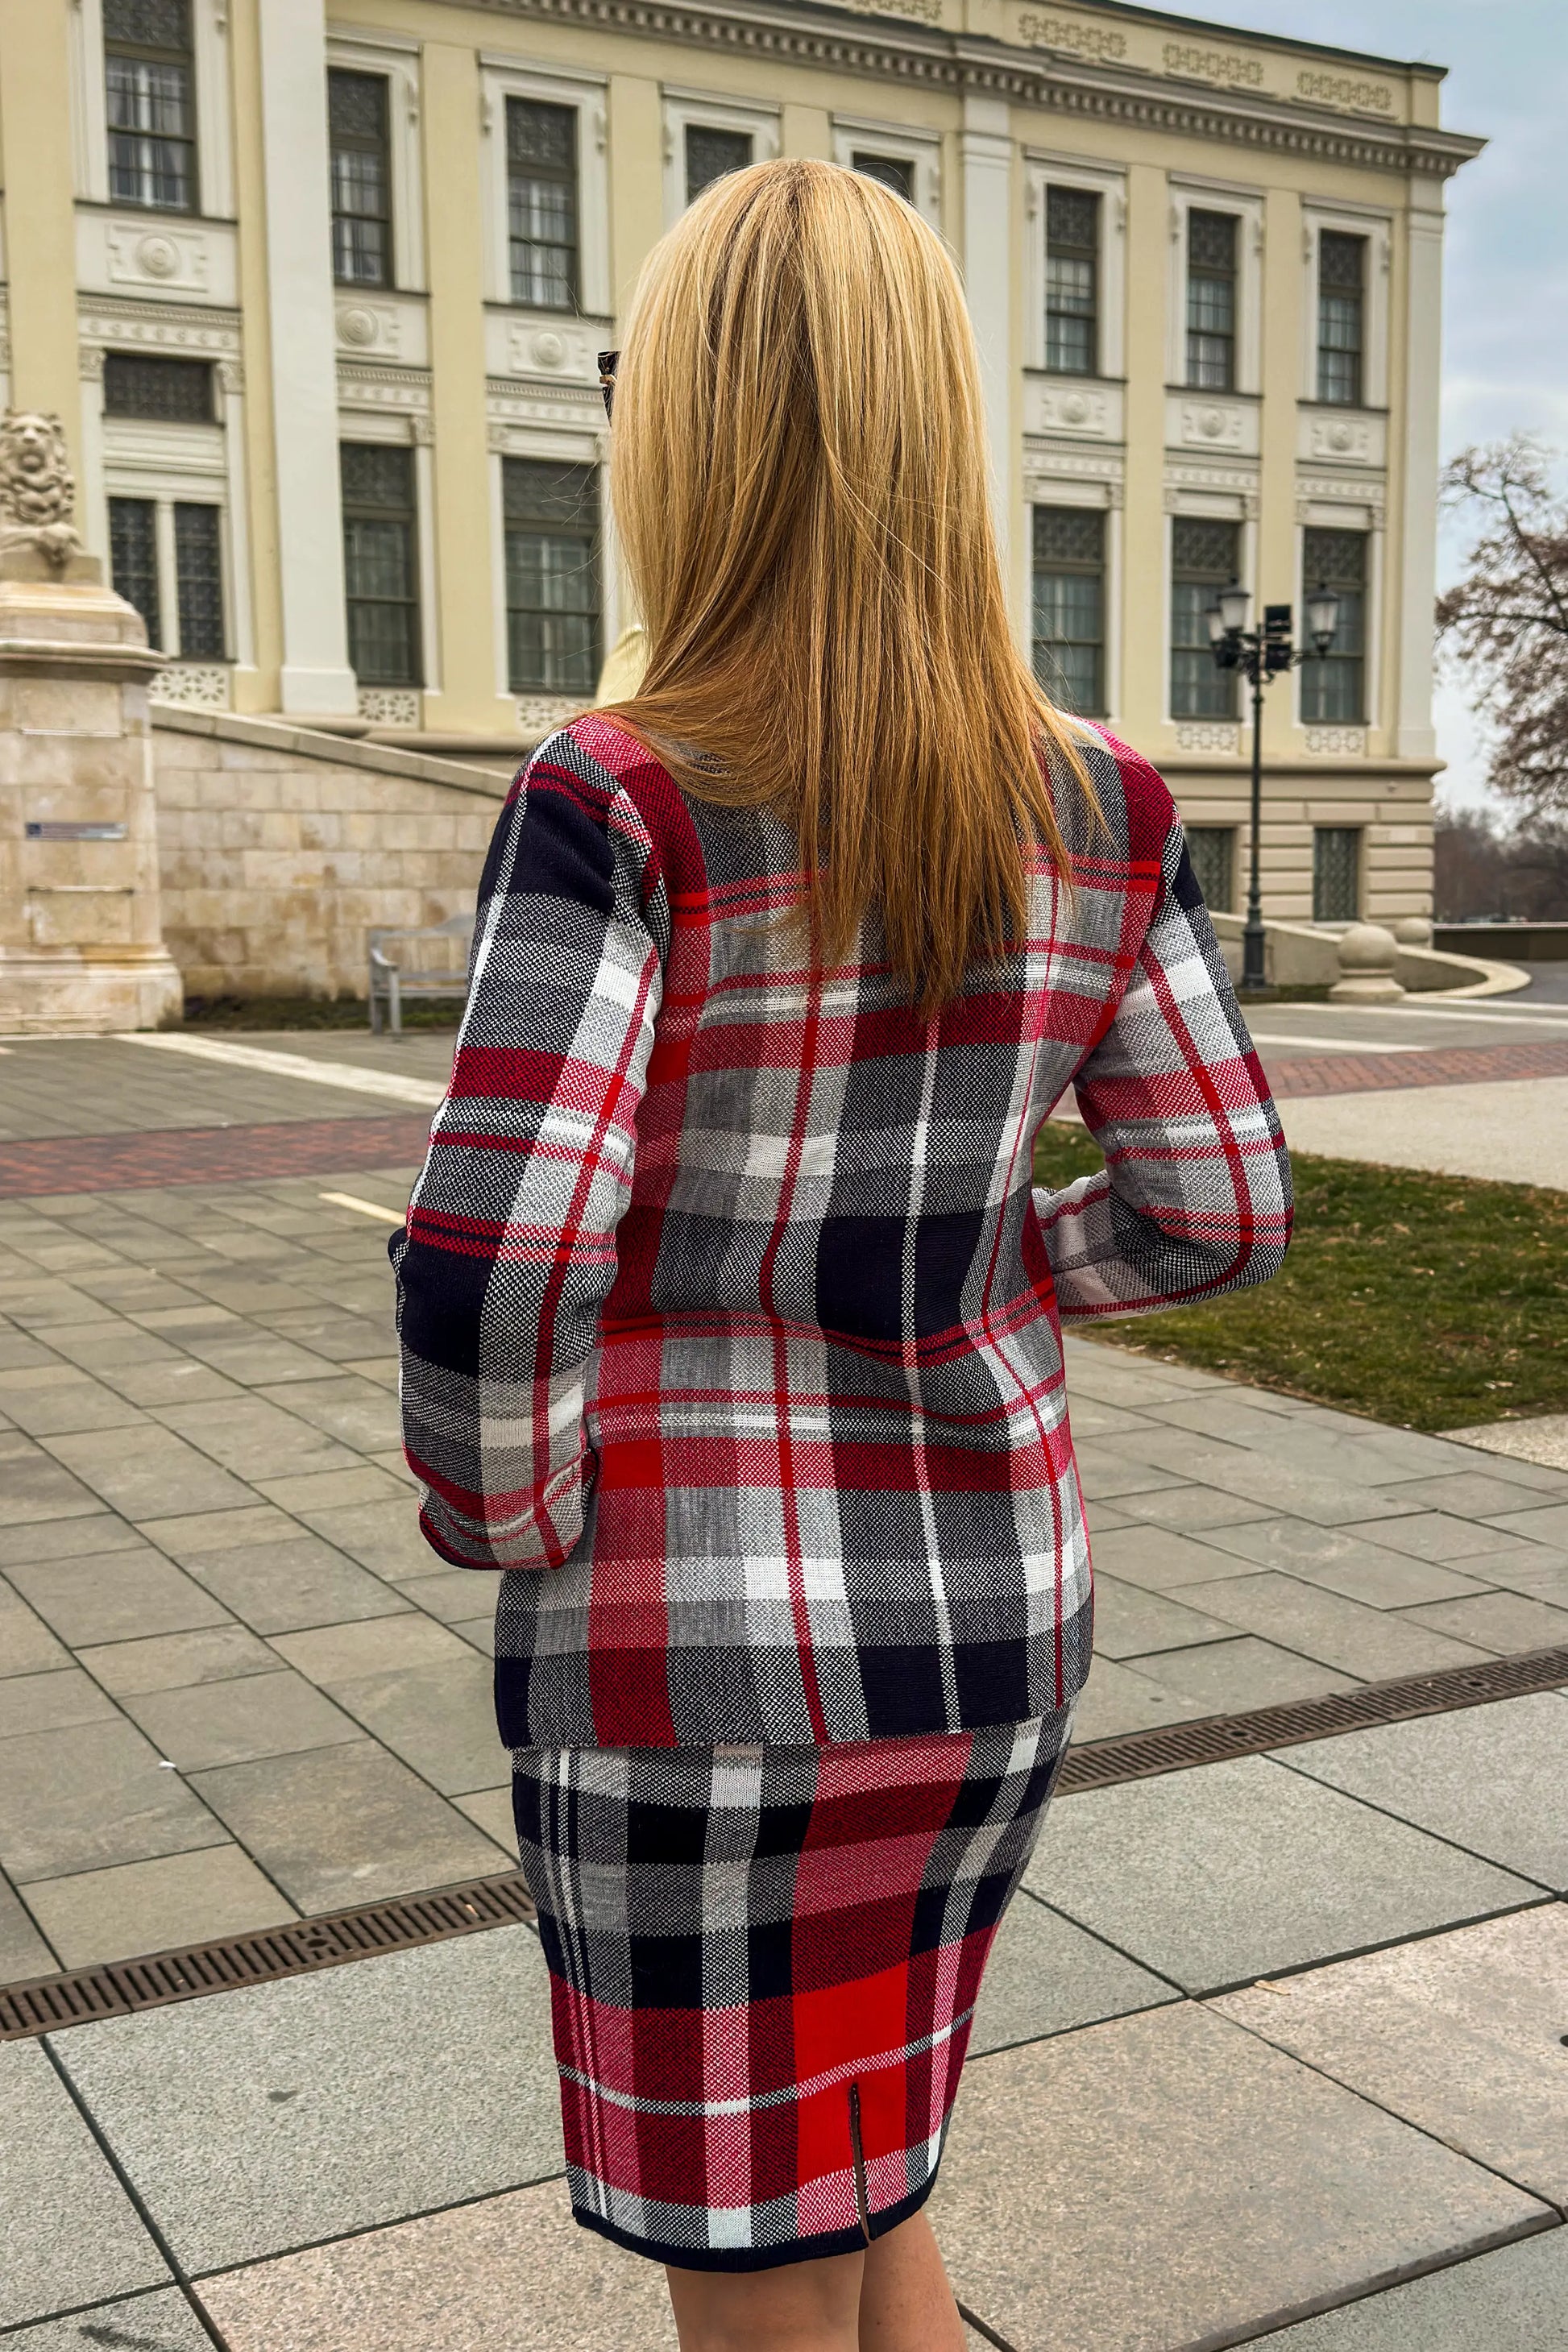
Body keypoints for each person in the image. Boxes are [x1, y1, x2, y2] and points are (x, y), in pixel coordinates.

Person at [392, 159, 1291, 2352]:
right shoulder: (1107, 805)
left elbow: (494, 1250)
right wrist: (967, 1270)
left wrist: (505, 1511)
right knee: (872, 2169)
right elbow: (1222, 1210)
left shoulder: (621, 794)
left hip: (686, 1656)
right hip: (987, 1623)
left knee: (758, 2256)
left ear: (676, 433)